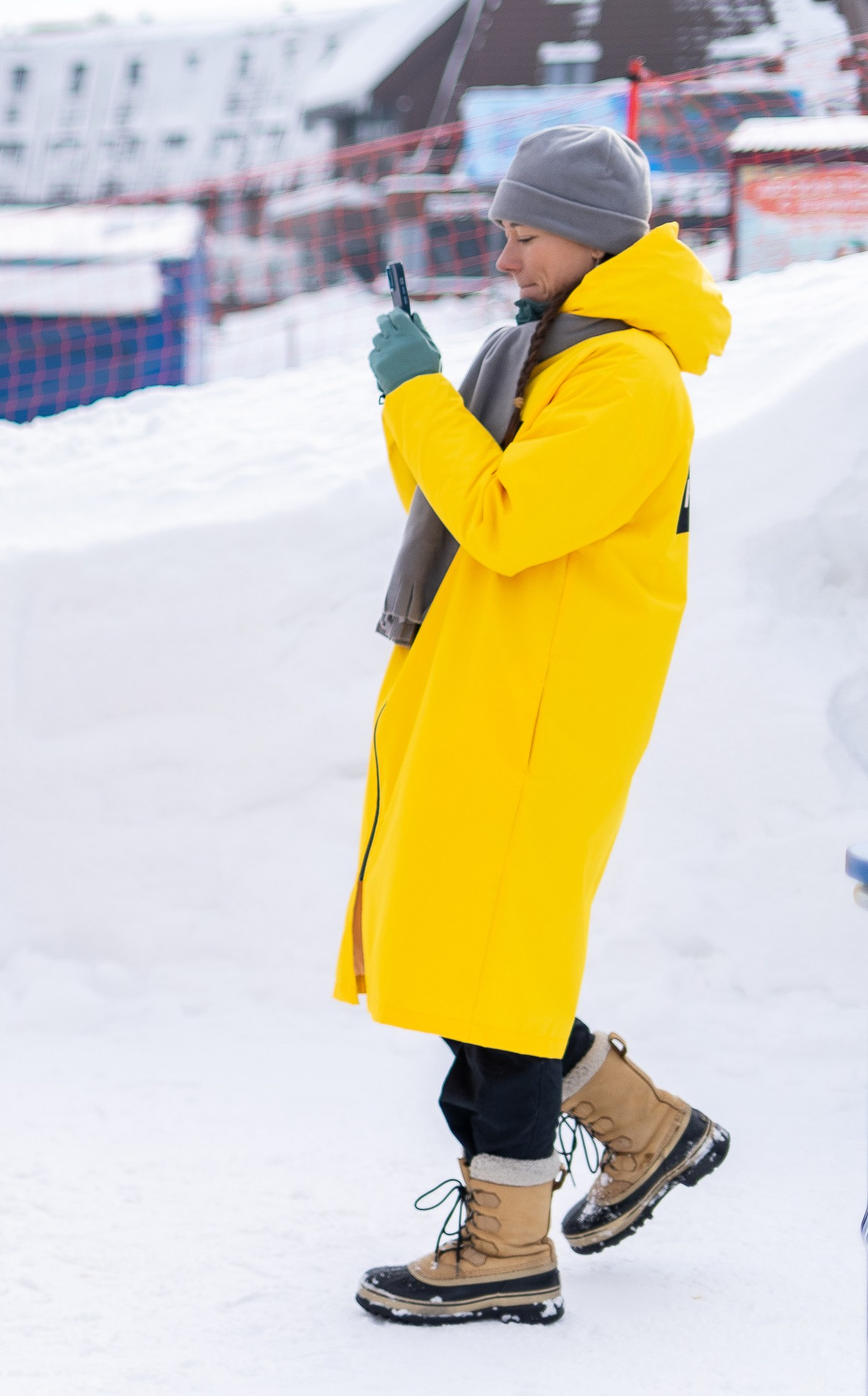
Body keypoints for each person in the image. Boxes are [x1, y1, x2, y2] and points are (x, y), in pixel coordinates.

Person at [344, 125, 734, 1325]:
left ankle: (506, 1243)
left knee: (492, 968)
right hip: (486, 689)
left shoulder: (625, 380)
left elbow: (507, 520)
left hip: (540, 713)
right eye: (503, 233)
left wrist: (417, 390)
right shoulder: (544, 353)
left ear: (593, 239)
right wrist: (414, 399)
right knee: (458, 951)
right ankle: (643, 1125)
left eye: (525, 236)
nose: (505, 258)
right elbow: (450, 503)